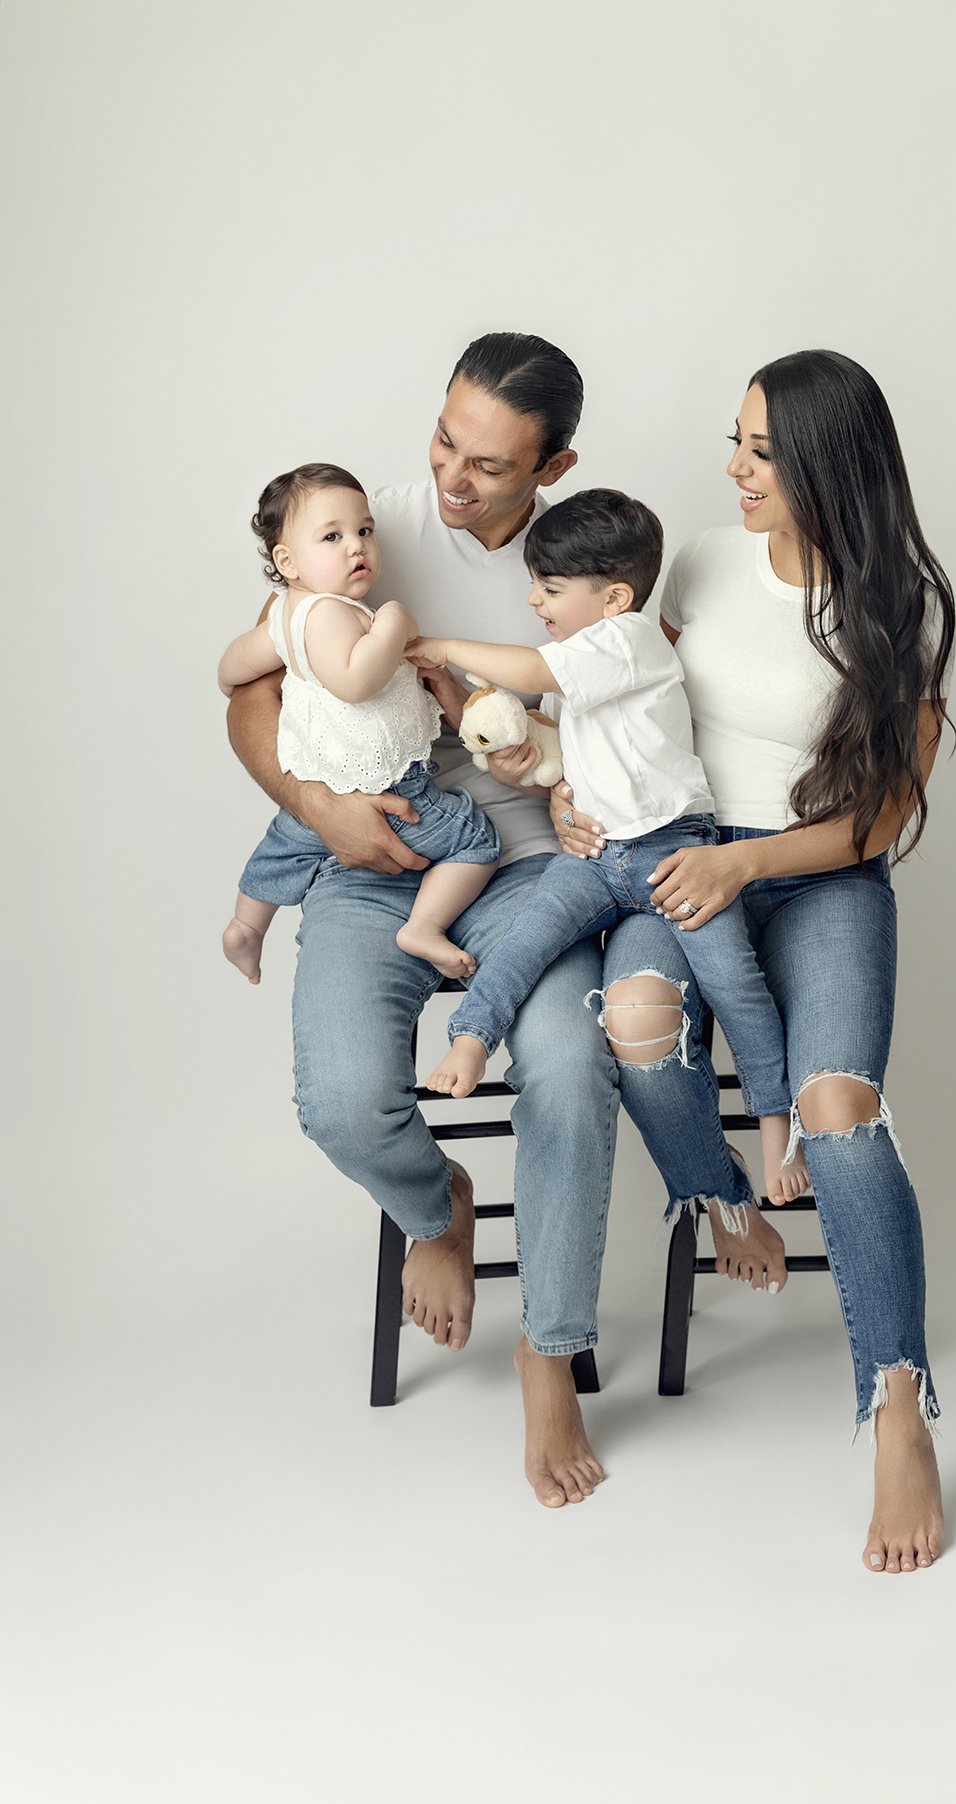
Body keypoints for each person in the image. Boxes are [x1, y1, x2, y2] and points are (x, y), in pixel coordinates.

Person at [556, 351, 956, 1571]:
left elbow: (878, 820)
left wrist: (748, 864)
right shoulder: (708, 561)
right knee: (632, 1015)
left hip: (818, 875)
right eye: (735, 443)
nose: (732, 469)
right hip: (676, 854)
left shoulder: (899, 608)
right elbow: (621, 696)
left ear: (827, 463)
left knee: (838, 1113)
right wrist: (582, 794)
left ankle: (897, 1407)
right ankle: (724, 1195)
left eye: (758, 452)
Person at [225, 334, 617, 1509]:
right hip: (372, 851)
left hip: (525, 858)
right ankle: (431, 1200)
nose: (452, 477)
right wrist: (314, 808)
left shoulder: (586, 561)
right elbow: (252, 685)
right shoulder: (357, 524)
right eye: (446, 439)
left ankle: (549, 1352)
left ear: (553, 465)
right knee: (341, 1098)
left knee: (566, 1064)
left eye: (490, 464)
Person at [409, 488, 808, 1207]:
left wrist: (444, 644)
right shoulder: (579, 660)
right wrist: (478, 719)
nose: (533, 599)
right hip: (596, 860)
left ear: (616, 597)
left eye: (550, 587)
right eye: (535, 583)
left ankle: (778, 1126)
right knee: (525, 941)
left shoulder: (627, 642)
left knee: (735, 985)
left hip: (670, 853)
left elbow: (530, 674)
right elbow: (548, 748)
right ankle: (471, 1038)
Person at [219, 463, 500, 985]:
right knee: (476, 839)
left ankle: (245, 925)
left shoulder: (285, 616)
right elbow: (355, 681)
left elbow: (231, 668)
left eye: (364, 531)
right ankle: (423, 926)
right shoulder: (335, 613)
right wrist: (394, 621)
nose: (357, 547)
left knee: (285, 844)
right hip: (391, 791)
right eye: (332, 536)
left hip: (319, 783)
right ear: (288, 561)